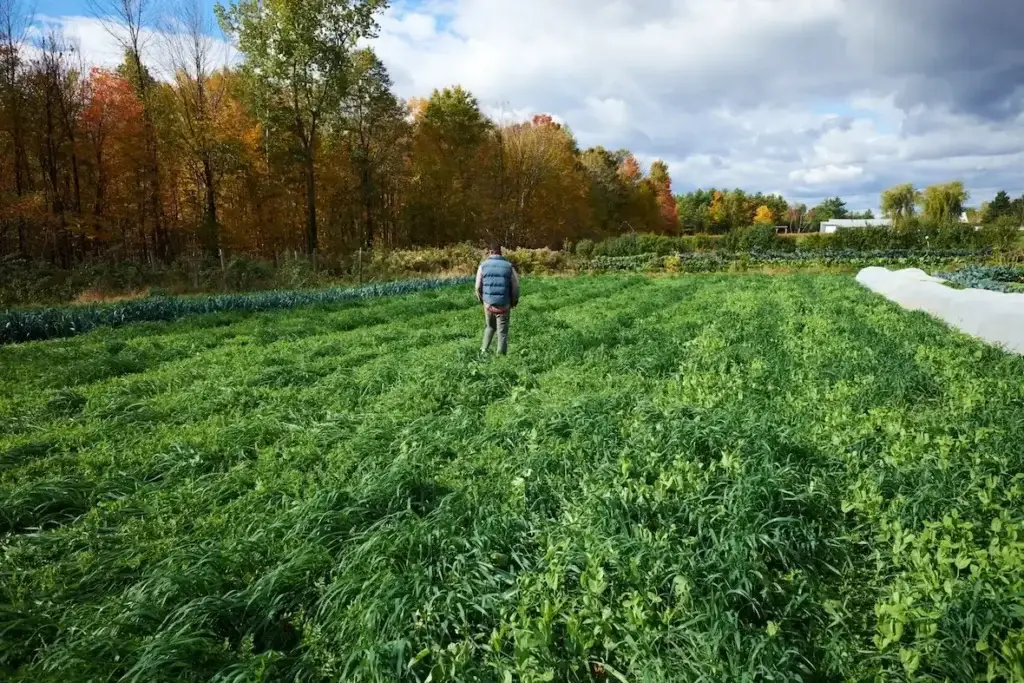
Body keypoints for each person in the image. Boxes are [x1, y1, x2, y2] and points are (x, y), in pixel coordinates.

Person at [475, 241, 520, 355]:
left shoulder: (483, 266)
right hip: (504, 305)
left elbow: (477, 287)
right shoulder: (509, 266)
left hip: (488, 304)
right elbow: (516, 286)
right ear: (501, 252)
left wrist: (483, 301)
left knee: (490, 327)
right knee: (502, 332)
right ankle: (500, 357)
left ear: (490, 252)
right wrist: (514, 301)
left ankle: (483, 351)